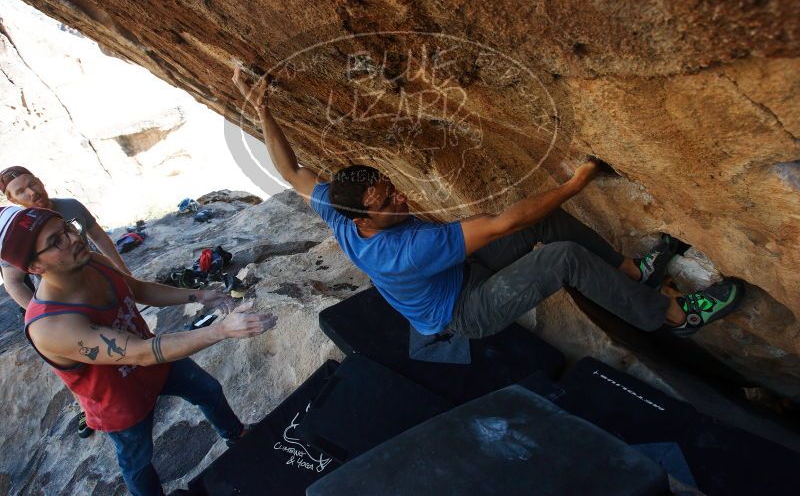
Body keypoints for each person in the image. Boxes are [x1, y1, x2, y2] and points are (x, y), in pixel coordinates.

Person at [232, 66, 743, 340]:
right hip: (465, 310)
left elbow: (293, 171)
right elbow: (500, 224)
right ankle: (674, 318)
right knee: (558, 256)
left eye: (392, 185)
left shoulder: (340, 211)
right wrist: (576, 181)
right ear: (364, 215)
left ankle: (633, 273)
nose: (401, 196)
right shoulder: (408, 247)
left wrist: (263, 110)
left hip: (459, 275)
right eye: (388, 200)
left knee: (549, 225)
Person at [0, 205, 277, 496]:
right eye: (56, 242)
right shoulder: (50, 325)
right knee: (138, 460)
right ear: (33, 267)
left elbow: (138, 289)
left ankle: (237, 436)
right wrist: (220, 330)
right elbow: (140, 352)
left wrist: (199, 295)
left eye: (67, 228)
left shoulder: (92, 261)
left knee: (208, 390)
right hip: (117, 398)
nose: (72, 239)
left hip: (157, 365)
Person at [0, 165, 133, 439]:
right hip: (59, 304)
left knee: (123, 335)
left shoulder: (69, 207)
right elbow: (12, 281)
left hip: (95, 285)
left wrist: (123, 275)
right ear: (12, 200)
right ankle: (91, 410)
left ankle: (139, 379)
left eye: (32, 183)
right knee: (77, 364)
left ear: (40, 179)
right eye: (20, 191)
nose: (31, 192)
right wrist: (43, 317)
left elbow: (99, 237)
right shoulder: (20, 233)